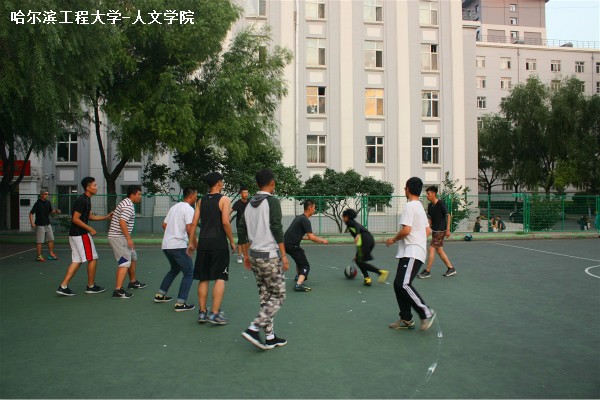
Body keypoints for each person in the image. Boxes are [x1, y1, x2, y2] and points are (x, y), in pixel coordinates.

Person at [238, 168, 288, 350]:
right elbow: (276, 226)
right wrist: (284, 255)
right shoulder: (272, 201)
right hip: (268, 256)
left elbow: (241, 229)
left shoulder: (250, 204)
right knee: (279, 295)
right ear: (272, 183)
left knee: (265, 297)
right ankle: (254, 328)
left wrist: (245, 255)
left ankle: (270, 336)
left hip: (254, 256)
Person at [385, 177, 436, 331]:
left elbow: (406, 230)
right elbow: (427, 230)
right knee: (398, 285)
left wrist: (393, 239)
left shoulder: (410, 206)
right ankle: (406, 319)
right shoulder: (419, 206)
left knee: (403, 284)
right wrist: (419, 240)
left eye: (404, 188)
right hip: (411, 251)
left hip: (412, 251)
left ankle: (426, 312)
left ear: (407, 189)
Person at [188, 172, 236, 325]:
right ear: (219, 183)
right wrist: (232, 241)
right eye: (222, 181)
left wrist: (191, 242)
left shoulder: (201, 200)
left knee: (204, 278)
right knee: (220, 277)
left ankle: (202, 312)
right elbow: (225, 222)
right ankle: (215, 313)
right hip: (218, 243)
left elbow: (194, 223)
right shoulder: (224, 199)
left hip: (203, 243)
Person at [56, 177, 113, 296]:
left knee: (77, 260)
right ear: (88, 188)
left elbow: (89, 216)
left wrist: (106, 217)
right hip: (80, 234)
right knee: (92, 258)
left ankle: (63, 286)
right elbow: (75, 219)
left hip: (74, 234)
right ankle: (91, 286)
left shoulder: (86, 199)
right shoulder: (83, 200)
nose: (96, 187)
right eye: (94, 185)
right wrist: (90, 228)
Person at [155, 187, 197, 312]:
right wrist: (194, 244)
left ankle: (160, 295)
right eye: (196, 195)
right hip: (178, 246)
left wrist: (173, 232)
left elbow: (164, 225)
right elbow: (190, 229)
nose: (196, 198)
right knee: (189, 273)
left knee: (175, 269)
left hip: (167, 245)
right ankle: (180, 303)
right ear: (192, 196)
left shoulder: (174, 207)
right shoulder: (189, 209)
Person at [107, 185, 145, 299]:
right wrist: (129, 239)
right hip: (119, 237)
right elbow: (122, 222)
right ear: (132, 195)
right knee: (124, 262)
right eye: (139, 194)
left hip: (119, 236)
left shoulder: (125, 203)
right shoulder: (128, 206)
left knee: (133, 256)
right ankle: (118, 290)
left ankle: (132, 282)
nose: (140, 197)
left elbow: (119, 215)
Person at [284, 199, 329, 292]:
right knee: (305, 265)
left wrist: (316, 238)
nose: (314, 210)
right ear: (309, 208)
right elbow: (312, 237)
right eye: (314, 208)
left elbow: (299, 235)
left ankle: (298, 276)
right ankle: (298, 284)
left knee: (300, 256)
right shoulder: (305, 220)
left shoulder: (299, 218)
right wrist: (322, 240)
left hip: (286, 244)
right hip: (292, 245)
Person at [341, 209, 389, 286]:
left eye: (343, 217)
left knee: (359, 261)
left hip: (365, 240)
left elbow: (356, 226)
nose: (342, 218)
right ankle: (367, 278)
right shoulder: (351, 223)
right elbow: (359, 241)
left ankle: (380, 272)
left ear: (346, 217)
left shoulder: (349, 222)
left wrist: (357, 234)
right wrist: (357, 254)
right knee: (360, 261)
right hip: (369, 240)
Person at [418, 186, 457, 279]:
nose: (427, 195)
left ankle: (427, 271)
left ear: (434, 194)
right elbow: (430, 219)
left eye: (428, 194)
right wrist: (427, 229)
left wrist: (448, 229)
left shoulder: (441, 203)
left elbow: (448, 215)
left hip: (441, 230)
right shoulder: (430, 206)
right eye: (426, 194)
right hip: (435, 230)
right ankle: (451, 268)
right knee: (439, 250)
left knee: (431, 249)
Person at [29, 189, 60, 262]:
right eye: (45, 194)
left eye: (47, 194)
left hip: (47, 224)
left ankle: (51, 254)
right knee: (40, 241)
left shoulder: (48, 202)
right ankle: (39, 256)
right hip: (40, 225)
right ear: (41, 195)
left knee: (51, 239)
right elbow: (31, 213)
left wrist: (55, 211)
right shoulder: (37, 203)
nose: (47, 195)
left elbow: (50, 211)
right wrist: (32, 223)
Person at [231, 185, 250, 264]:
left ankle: (243, 252)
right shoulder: (237, 203)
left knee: (250, 240)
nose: (246, 194)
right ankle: (239, 256)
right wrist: (227, 216)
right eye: (244, 193)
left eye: (247, 193)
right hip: (240, 225)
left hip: (249, 224)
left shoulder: (250, 202)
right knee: (241, 240)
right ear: (241, 194)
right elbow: (231, 210)